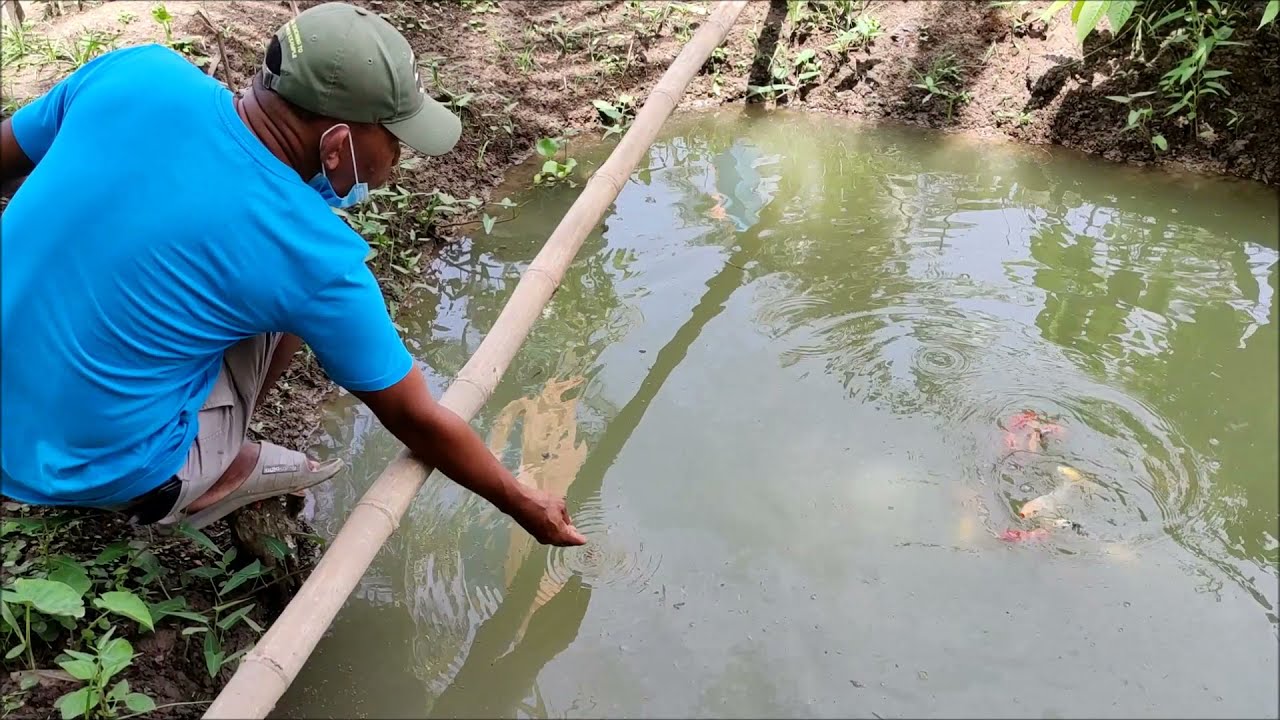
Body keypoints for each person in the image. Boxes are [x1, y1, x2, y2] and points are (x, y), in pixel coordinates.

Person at [0, 2, 586, 546]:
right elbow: (415, 417)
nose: (399, 161)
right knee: (284, 304)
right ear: (336, 144)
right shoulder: (312, 254)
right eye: (394, 140)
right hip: (103, 467)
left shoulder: (135, 73)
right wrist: (519, 501)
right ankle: (225, 462)